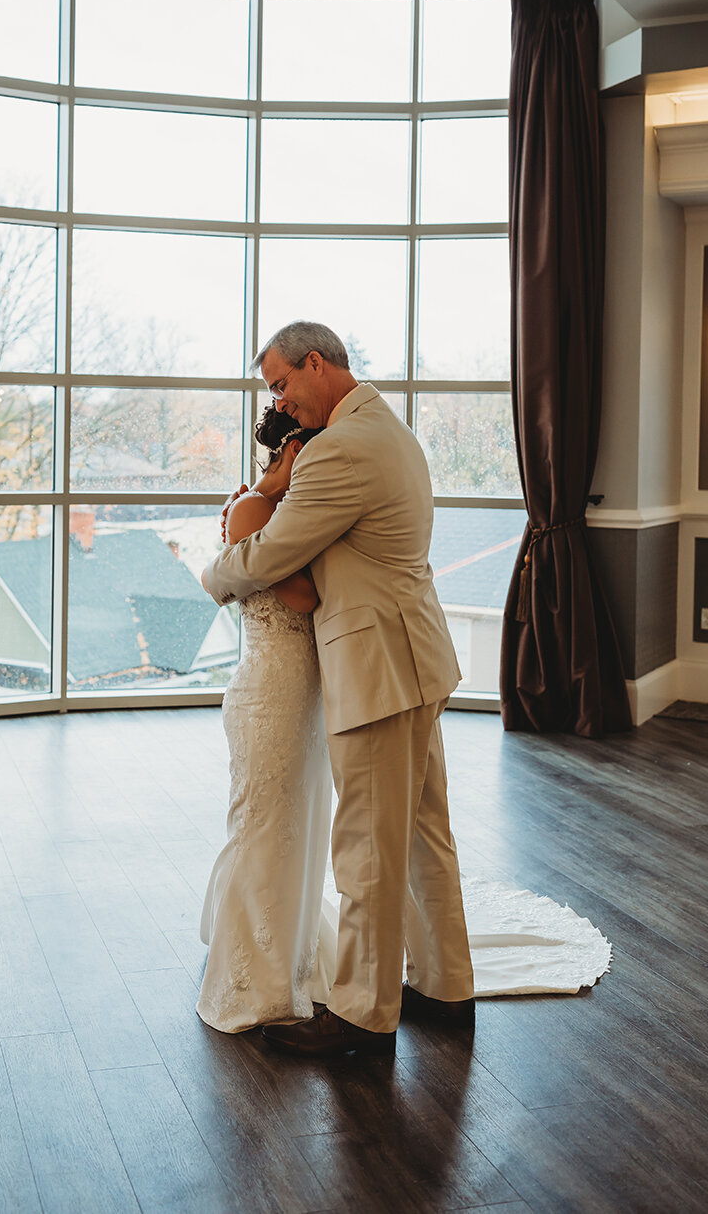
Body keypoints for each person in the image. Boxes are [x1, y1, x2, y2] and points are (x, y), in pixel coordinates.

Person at [201, 320, 474, 1058]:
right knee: (422, 835)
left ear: (315, 364)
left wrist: (212, 571)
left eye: (282, 384)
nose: (281, 403)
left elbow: (271, 554)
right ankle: (446, 989)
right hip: (415, 659)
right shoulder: (387, 426)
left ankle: (360, 1018)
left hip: (378, 671)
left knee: (366, 851)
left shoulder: (342, 450)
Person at [196, 404, 336, 1032]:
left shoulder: (292, 516)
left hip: (305, 692)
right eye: (310, 453)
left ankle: (292, 944)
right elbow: (304, 596)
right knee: (263, 823)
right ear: (287, 453)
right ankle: (254, 972)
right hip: (270, 691)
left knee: (296, 822)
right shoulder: (254, 508)